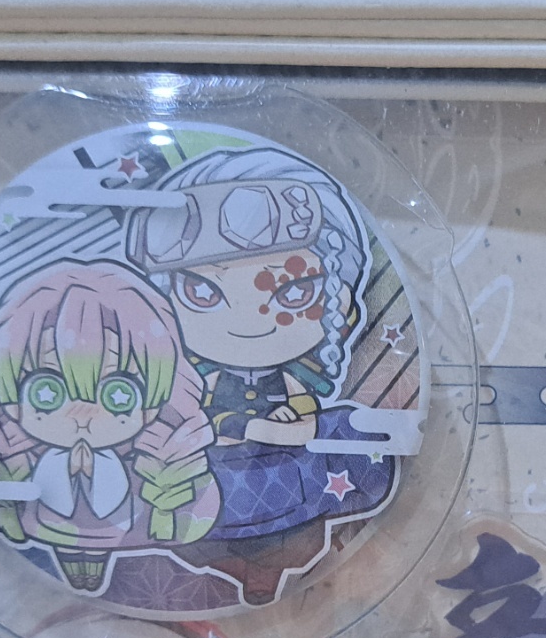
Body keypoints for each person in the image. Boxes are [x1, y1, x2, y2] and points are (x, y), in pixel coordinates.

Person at [123, 146, 395, 604]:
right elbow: (197, 420)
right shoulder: (191, 382)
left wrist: (299, 422)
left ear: (341, 302)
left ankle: (266, 576)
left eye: (293, 292)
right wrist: (248, 428)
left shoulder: (298, 377)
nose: (247, 324)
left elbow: (310, 413)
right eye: (202, 292)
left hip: (288, 488)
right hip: (220, 490)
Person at [0, 259, 221, 594]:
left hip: (128, 543)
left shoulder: (153, 462)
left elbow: (193, 515)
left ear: (157, 394)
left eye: (118, 394)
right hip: (34, 565)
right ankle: (79, 572)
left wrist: (167, 482)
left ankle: (93, 574)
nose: (82, 414)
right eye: (47, 391)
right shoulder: (14, 457)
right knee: (65, 561)